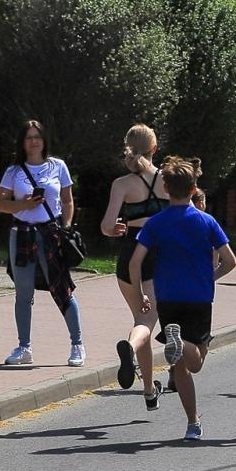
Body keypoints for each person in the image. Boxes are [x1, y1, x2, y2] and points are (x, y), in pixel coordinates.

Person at [129, 158, 236, 442]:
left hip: (168, 299)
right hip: (199, 298)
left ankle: (192, 423)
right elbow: (230, 261)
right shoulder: (207, 221)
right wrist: (210, 277)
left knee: (180, 366)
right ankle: (183, 344)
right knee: (197, 362)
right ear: (193, 188)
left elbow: (135, 260)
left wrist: (140, 291)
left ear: (165, 188)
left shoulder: (156, 223)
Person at [0, 120, 84, 368]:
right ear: (22, 143)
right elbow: (0, 204)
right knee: (23, 293)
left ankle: (77, 344)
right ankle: (24, 347)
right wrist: (23, 204)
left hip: (50, 232)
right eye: (28, 138)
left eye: (37, 137)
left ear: (44, 140)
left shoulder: (58, 166)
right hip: (21, 233)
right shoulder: (14, 171)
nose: (33, 142)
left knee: (62, 288)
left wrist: (66, 226)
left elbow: (67, 201)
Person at [101, 124, 169, 409]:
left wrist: (116, 229)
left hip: (129, 253)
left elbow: (106, 226)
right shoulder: (169, 179)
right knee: (145, 323)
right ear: (155, 149)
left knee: (141, 319)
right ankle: (128, 348)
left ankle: (148, 390)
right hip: (158, 255)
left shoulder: (121, 184)